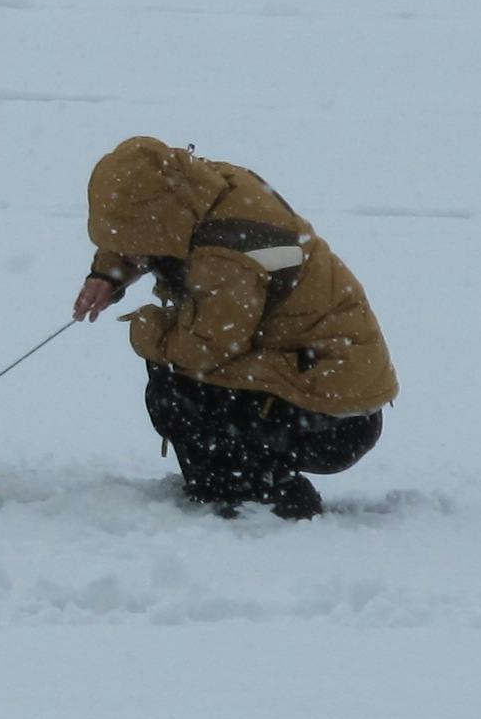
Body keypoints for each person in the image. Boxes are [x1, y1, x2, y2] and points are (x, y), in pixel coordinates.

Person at [70, 136, 394, 518]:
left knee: (177, 385)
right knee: (179, 376)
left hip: (334, 417)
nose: (130, 252)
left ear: (156, 220)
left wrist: (147, 327)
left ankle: (260, 491)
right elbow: (151, 230)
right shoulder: (198, 189)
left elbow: (204, 350)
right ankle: (227, 477)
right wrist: (109, 274)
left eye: (129, 242)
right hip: (324, 383)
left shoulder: (227, 258)